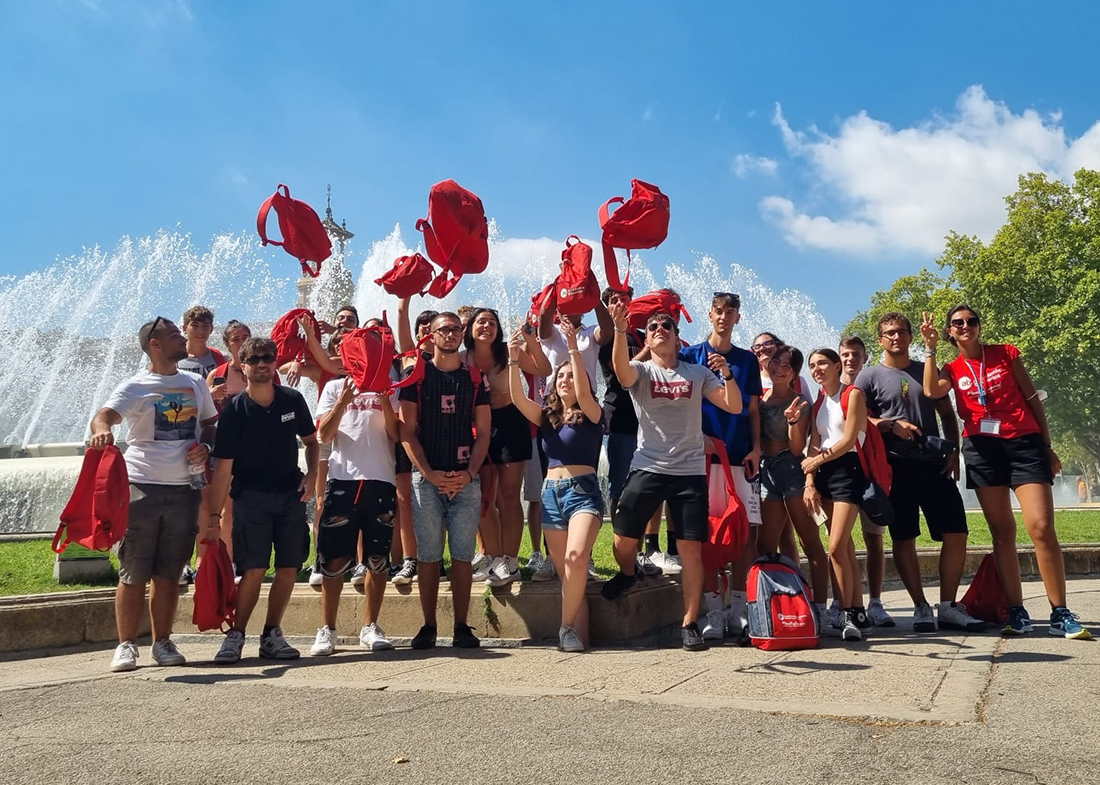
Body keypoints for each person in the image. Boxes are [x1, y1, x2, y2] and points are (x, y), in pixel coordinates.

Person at [921, 306, 1091, 639]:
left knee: (1041, 527)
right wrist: (929, 349)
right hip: (982, 449)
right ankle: (1017, 611)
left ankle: (1060, 612)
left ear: (979, 326)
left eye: (971, 321)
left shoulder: (1005, 353)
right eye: (958, 323)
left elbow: (1033, 399)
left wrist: (1046, 445)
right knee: (1002, 533)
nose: (966, 326)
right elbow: (931, 391)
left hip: (1024, 443)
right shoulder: (951, 369)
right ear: (949, 332)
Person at [603, 301, 743, 651]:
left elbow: (734, 406)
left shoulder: (697, 373)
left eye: (667, 325)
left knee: (690, 551)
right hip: (647, 467)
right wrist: (620, 330)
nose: (660, 329)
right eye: (653, 327)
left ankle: (689, 623)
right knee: (622, 540)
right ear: (648, 338)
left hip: (689, 473)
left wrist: (727, 374)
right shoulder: (641, 370)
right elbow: (621, 372)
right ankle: (629, 573)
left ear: (678, 338)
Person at [89, 317, 217, 672]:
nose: (182, 339)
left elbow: (210, 425)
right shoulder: (135, 385)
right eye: (175, 335)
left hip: (185, 488)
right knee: (134, 569)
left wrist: (206, 447)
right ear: (155, 345)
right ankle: (126, 645)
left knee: (170, 571)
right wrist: (102, 431)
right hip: (141, 486)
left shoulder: (195, 382)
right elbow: (103, 417)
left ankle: (162, 642)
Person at [856, 314, 985, 633]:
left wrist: (953, 451)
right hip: (895, 467)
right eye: (889, 333)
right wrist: (889, 424)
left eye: (901, 331)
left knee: (957, 531)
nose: (896, 336)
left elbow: (948, 415)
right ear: (880, 339)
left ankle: (948, 606)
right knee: (904, 537)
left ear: (910, 336)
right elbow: (857, 419)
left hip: (933, 463)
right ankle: (920, 606)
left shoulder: (926, 370)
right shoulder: (868, 376)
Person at [207, 337, 320, 663]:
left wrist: (313, 474)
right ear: (242, 366)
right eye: (254, 359)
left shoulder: (292, 400)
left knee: (288, 567)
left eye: (267, 358)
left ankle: (271, 634)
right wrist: (214, 517)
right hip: (251, 497)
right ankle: (236, 634)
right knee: (254, 568)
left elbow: (312, 442)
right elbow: (223, 469)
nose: (262, 363)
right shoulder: (234, 411)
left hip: (289, 496)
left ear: (274, 363)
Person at [507, 321, 604, 651]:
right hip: (551, 496)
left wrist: (573, 348)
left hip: (582, 493)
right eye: (561, 376)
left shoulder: (591, 413)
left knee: (576, 559)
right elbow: (518, 399)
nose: (565, 380)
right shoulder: (547, 417)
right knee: (568, 574)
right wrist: (512, 360)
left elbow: (584, 393)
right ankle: (579, 637)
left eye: (572, 376)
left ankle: (564, 628)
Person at [399, 312, 491, 649]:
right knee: (428, 556)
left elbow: (484, 433)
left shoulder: (475, 379)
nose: (450, 334)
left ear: (462, 334)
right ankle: (428, 626)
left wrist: (468, 474)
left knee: (463, 556)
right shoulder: (415, 377)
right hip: (427, 480)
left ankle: (462, 627)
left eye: (455, 329)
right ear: (431, 335)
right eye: (443, 330)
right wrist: (429, 473)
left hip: (465, 479)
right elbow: (406, 432)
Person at [678, 292, 763, 640]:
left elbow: (753, 409)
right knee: (706, 535)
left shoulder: (747, 360)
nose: (724, 317)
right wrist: (697, 437)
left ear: (738, 317)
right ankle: (713, 611)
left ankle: (739, 610)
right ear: (709, 314)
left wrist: (757, 447)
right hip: (702, 458)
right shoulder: (690, 356)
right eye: (718, 311)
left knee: (744, 534)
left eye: (730, 312)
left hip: (740, 457)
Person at [310, 368, 401, 655]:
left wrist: (384, 398)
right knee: (333, 560)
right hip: (343, 480)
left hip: (381, 479)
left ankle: (370, 626)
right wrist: (342, 401)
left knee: (377, 558)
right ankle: (327, 629)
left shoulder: (391, 386)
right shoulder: (335, 386)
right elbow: (324, 434)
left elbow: (395, 434)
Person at [463, 307, 550, 587]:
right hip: (478, 426)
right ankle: (494, 557)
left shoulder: (506, 350)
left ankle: (510, 562)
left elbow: (544, 370)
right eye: (481, 321)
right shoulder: (463, 357)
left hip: (511, 422)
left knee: (510, 496)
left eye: (492, 322)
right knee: (484, 497)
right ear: (470, 328)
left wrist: (530, 339)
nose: (486, 326)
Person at [802, 348, 870, 642]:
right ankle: (857, 610)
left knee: (835, 546)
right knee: (845, 548)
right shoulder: (819, 401)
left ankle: (845, 612)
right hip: (824, 474)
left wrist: (816, 461)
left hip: (847, 470)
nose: (817, 369)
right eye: (812, 365)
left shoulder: (852, 395)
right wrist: (809, 481)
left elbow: (849, 439)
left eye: (822, 363)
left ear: (836, 365)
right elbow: (814, 443)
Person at [757, 345, 830, 618]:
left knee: (809, 541)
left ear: (794, 374)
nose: (779, 368)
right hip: (766, 471)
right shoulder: (761, 397)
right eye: (776, 361)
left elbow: (798, 448)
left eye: (786, 366)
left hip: (791, 470)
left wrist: (792, 422)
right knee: (765, 546)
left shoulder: (799, 402)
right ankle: (775, 606)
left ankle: (820, 608)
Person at [597, 286, 662, 580]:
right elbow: (621, 371)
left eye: (625, 298)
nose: (621, 303)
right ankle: (625, 554)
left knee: (650, 485)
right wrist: (647, 348)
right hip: (620, 419)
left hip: (647, 419)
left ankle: (646, 550)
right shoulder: (608, 336)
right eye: (614, 300)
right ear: (607, 308)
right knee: (620, 488)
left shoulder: (642, 333)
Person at [838, 334, 892, 628]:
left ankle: (875, 601)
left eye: (856, 354)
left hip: (871, 469)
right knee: (840, 540)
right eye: (846, 354)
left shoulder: (870, 383)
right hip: (842, 475)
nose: (850, 359)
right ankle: (843, 600)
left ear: (865, 357)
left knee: (874, 537)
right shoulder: (832, 388)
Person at [389, 297, 438, 585]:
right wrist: (405, 296)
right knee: (405, 499)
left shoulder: (450, 358)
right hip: (407, 434)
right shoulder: (409, 356)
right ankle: (410, 560)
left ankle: (433, 558)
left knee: (437, 499)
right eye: (423, 325)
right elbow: (401, 315)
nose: (427, 329)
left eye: (433, 325)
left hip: (438, 434)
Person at [198, 319, 252, 564]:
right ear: (227, 345)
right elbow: (202, 417)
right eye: (235, 339)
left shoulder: (264, 371)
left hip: (257, 449)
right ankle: (227, 563)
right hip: (227, 449)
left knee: (253, 508)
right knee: (226, 509)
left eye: (245, 337)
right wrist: (211, 397)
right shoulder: (217, 374)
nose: (241, 342)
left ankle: (250, 562)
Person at [177, 305, 226, 379]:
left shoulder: (223, 358)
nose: (201, 331)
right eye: (195, 326)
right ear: (185, 328)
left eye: (205, 326)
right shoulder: (173, 360)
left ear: (211, 329)